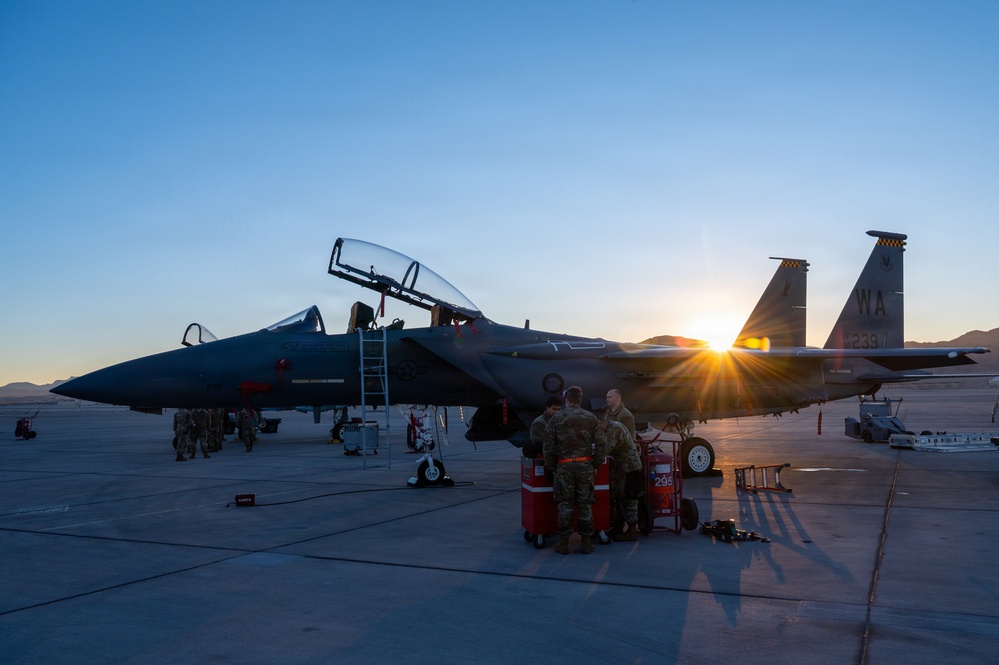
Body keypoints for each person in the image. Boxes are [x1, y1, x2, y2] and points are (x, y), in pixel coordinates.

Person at [543, 386, 608, 555]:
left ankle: (564, 543)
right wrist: (595, 464)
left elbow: (548, 446)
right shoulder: (591, 418)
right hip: (585, 466)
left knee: (565, 504)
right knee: (585, 504)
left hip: (564, 467)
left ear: (566, 399)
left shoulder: (556, 418)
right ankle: (586, 542)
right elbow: (602, 443)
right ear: (580, 399)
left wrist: (552, 467)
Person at [601, 419, 643, 541]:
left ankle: (632, 531)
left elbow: (606, 449)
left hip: (630, 467)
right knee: (619, 496)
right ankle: (619, 527)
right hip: (622, 468)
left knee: (629, 497)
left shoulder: (614, 429)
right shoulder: (610, 426)